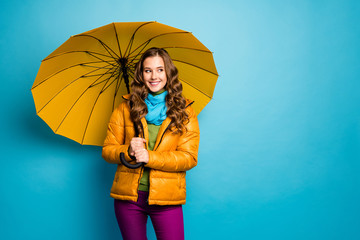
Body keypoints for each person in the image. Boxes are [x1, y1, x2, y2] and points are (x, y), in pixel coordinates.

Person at [102, 47, 200, 240]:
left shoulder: (185, 111)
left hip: (166, 199)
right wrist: (128, 150)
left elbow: (189, 158)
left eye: (160, 69)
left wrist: (150, 157)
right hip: (129, 199)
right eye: (148, 70)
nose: (154, 76)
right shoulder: (125, 108)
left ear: (168, 73)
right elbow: (107, 151)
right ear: (141, 74)